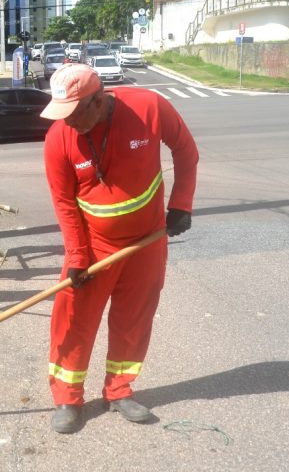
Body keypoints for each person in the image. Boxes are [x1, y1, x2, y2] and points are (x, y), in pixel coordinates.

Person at [40, 63, 198, 434]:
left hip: (147, 241)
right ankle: (67, 398)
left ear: (98, 101)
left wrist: (181, 204)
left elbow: (186, 151)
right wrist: (77, 256)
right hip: (94, 244)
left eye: (74, 112)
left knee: (134, 318)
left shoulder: (149, 108)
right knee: (74, 319)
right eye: (62, 113)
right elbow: (63, 202)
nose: (68, 121)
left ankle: (119, 389)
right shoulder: (58, 138)